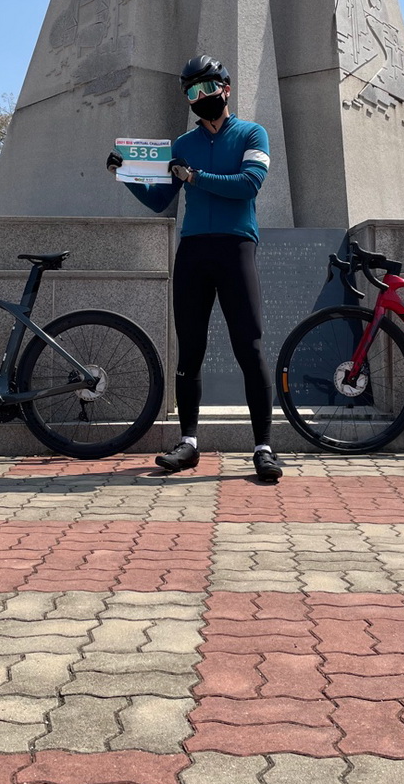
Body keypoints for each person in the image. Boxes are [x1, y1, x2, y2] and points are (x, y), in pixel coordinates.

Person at [106, 55, 283, 482]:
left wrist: (195, 177)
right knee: (190, 349)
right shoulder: (182, 145)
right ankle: (188, 443)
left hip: (236, 247)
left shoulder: (252, 133)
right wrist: (126, 175)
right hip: (193, 251)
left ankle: (263, 447)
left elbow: (249, 185)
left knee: (249, 346)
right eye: (191, 92)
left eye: (206, 88)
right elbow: (160, 201)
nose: (199, 97)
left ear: (226, 89)